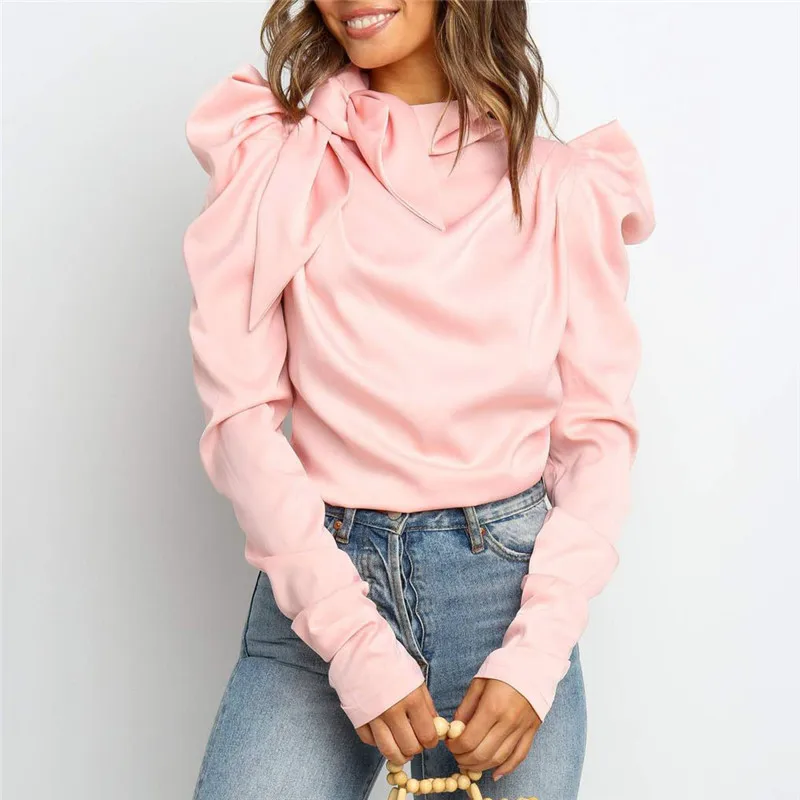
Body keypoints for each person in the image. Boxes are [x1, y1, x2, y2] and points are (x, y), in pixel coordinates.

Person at [182, 1, 655, 798]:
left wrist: (536, 653)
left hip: (506, 604)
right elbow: (240, 421)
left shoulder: (561, 184)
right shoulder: (274, 163)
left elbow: (596, 441)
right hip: (319, 583)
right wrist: (352, 640)